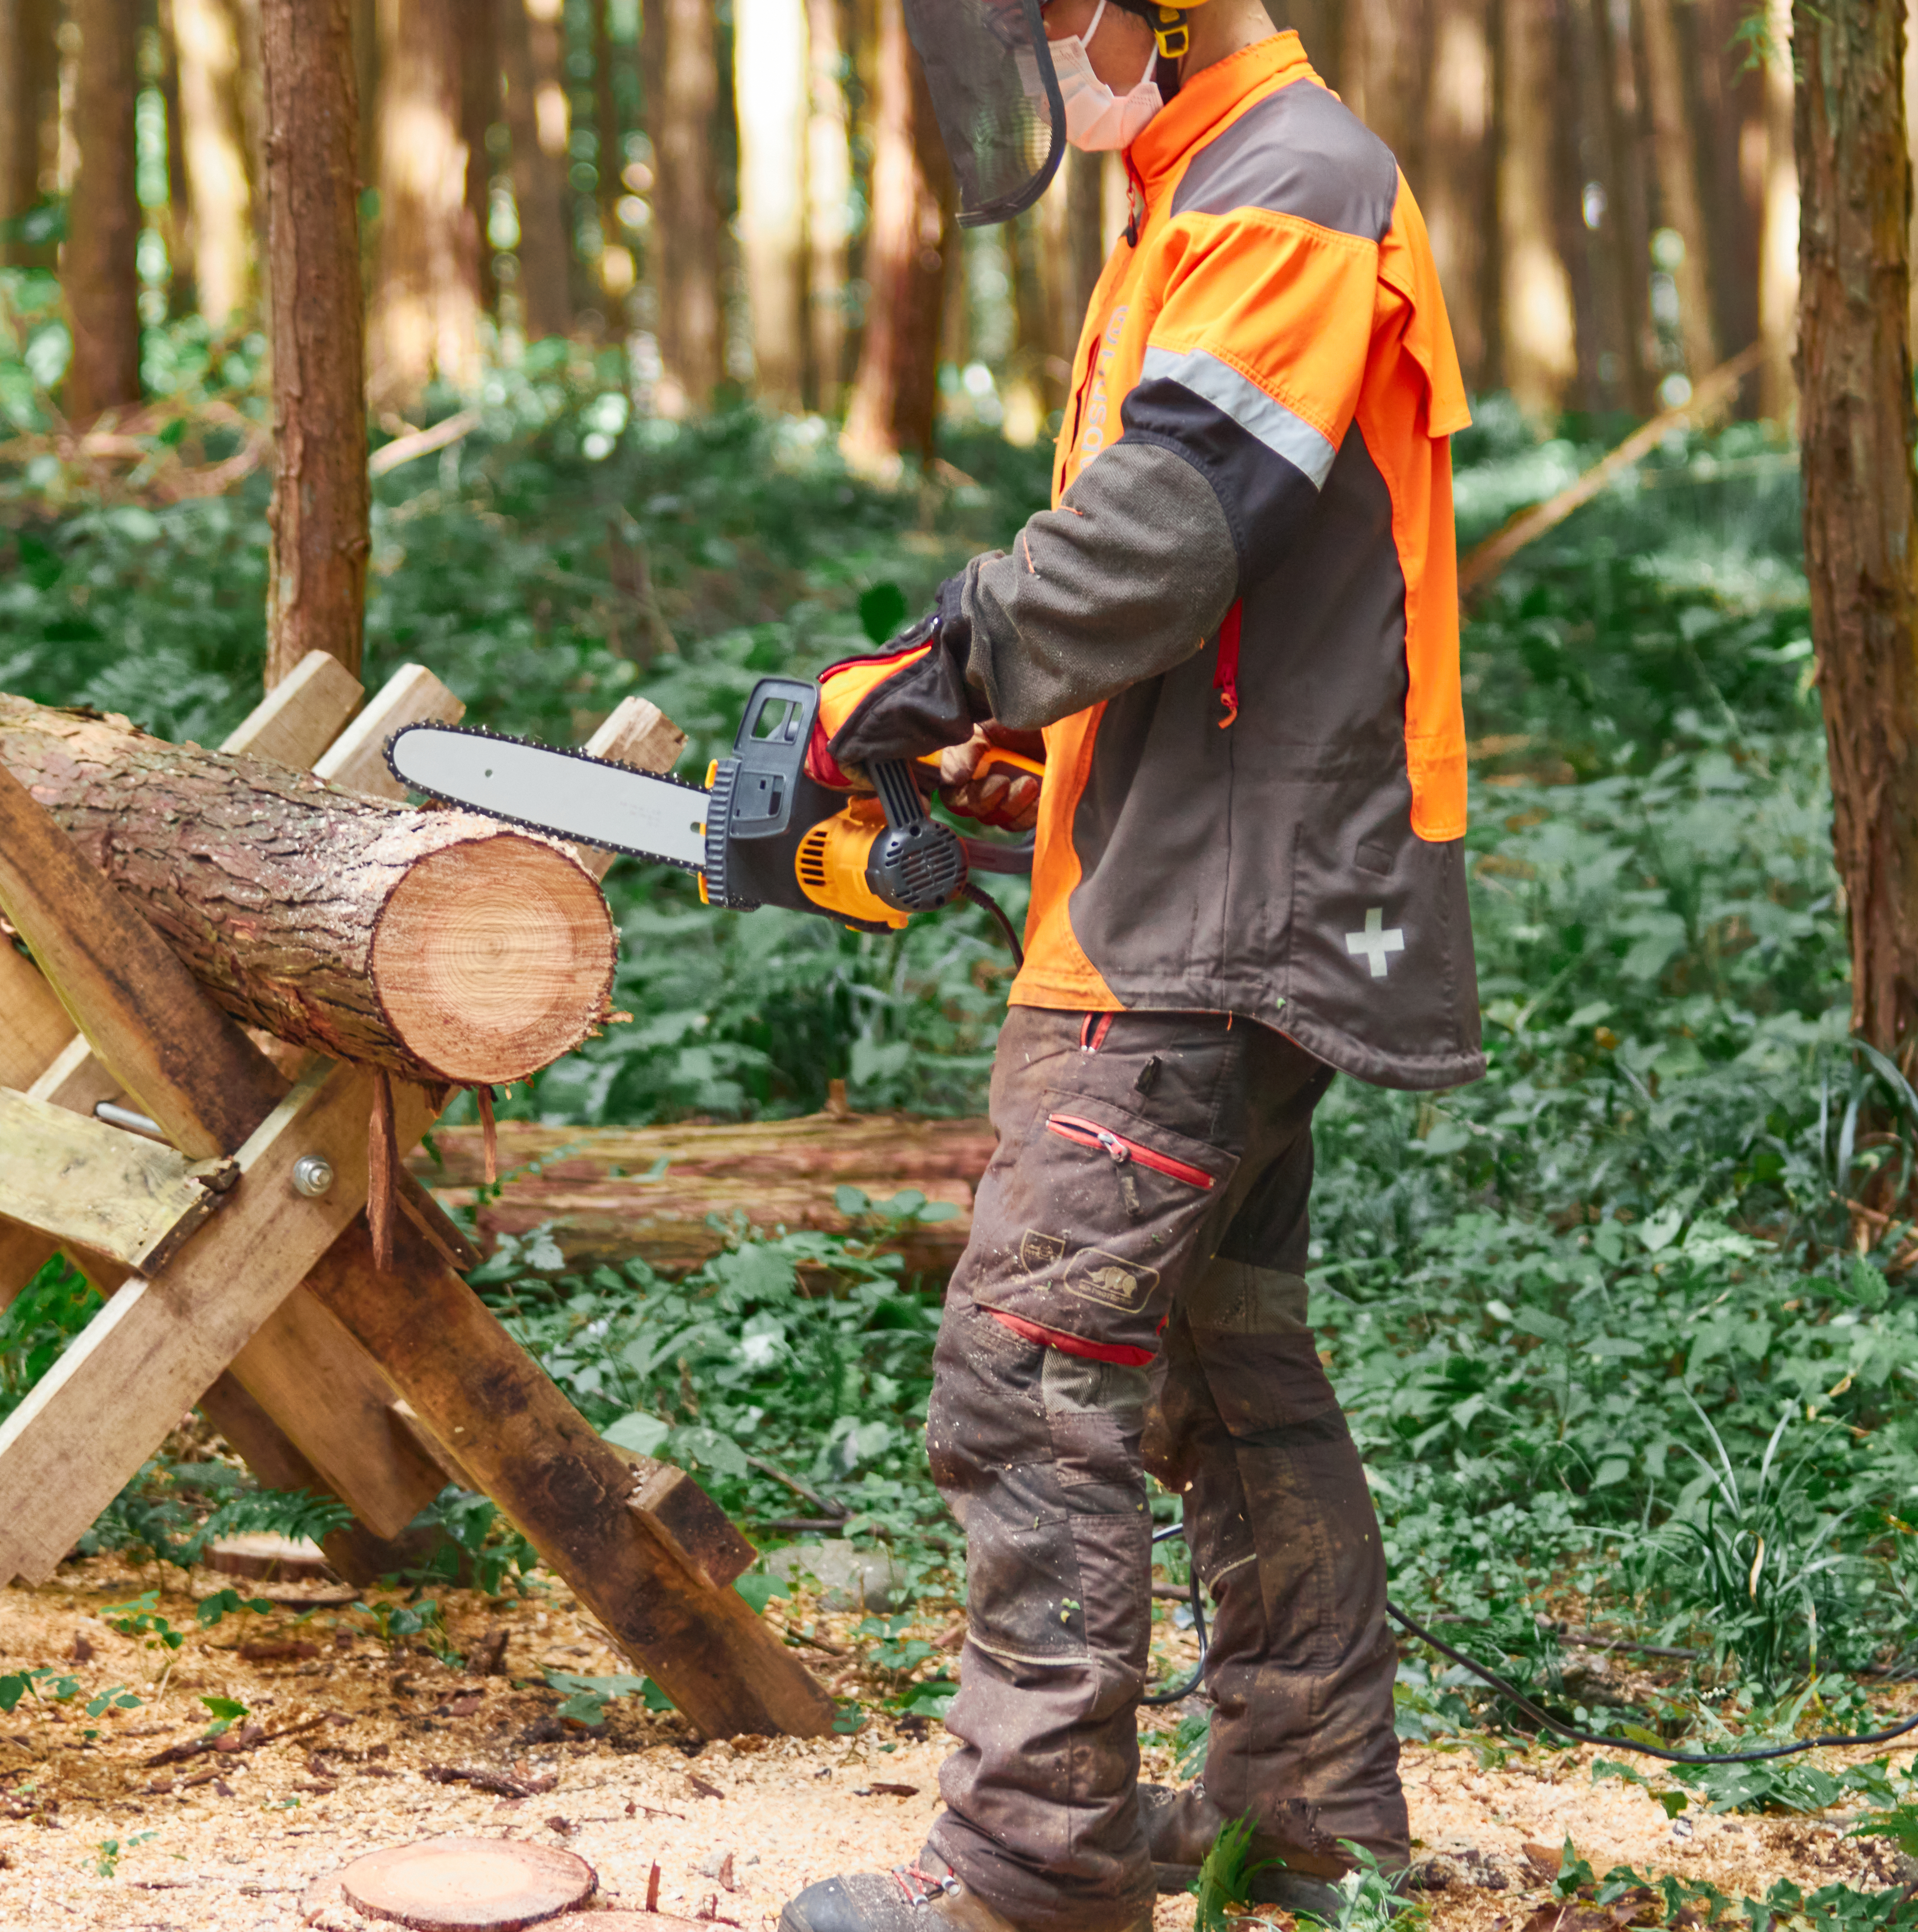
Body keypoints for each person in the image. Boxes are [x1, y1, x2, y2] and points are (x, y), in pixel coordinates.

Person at [779, 4, 1482, 1929]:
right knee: (1218, 1369)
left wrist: (926, 673)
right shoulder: (1212, 191)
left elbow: (1164, 539)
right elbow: (1218, 610)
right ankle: (1309, 1820)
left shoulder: (1289, 186)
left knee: (1028, 1376)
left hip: (1199, 932)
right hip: (1207, 880)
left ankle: (1027, 1872)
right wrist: (1021, 754)